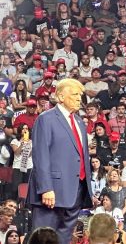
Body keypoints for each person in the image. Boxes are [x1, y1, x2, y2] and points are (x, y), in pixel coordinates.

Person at [27, 79, 93, 244]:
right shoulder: (46, 119)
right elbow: (40, 155)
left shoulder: (79, 121)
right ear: (61, 96)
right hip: (52, 192)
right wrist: (46, 188)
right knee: (43, 239)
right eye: (75, 94)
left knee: (64, 239)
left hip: (76, 190)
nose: (79, 98)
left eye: (80, 95)